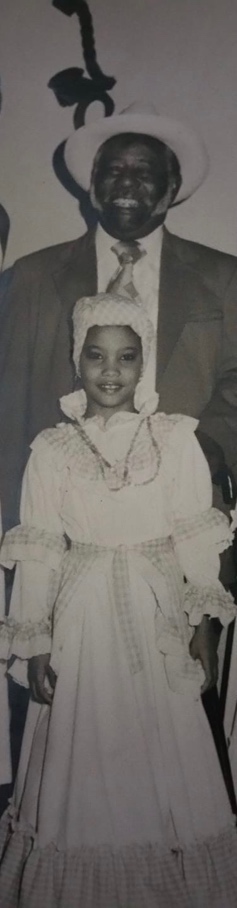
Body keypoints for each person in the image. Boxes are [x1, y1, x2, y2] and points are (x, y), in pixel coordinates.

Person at [0, 292, 236, 908]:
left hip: (153, 616)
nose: (111, 371)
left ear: (143, 364)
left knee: (163, 748)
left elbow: (193, 540)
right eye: (97, 356)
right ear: (77, 360)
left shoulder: (175, 438)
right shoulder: (51, 450)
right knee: (84, 750)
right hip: (81, 623)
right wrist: (34, 641)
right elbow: (41, 550)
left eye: (126, 357)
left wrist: (202, 627)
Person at [1, 103, 237, 535]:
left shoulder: (224, 278)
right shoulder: (33, 276)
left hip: (185, 512)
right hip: (63, 519)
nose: (126, 182)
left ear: (171, 189)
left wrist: (202, 448)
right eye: (112, 170)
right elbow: (11, 403)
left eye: (144, 172)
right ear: (92, 186)